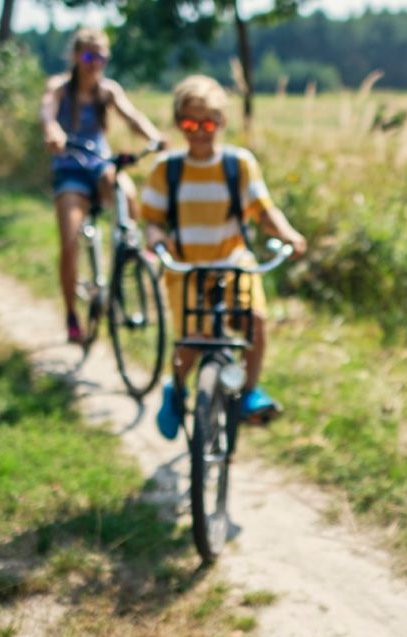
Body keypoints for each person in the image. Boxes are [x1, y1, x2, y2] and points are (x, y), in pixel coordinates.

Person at [141, 74, 306, 436]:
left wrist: (289, 234)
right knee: (192, 342)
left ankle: (248, 392)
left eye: (208, 123)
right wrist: (156, 241)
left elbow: (264, 212)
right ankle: (177, 388)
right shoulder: (166, 169)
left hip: (234, 263)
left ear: (222, 122)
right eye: (189, 123)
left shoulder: (239, 164)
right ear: (179, 123)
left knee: (254, 324)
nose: (200, 131)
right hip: (186, 267)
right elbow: (151, 220)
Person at [39, 27, 164, 343]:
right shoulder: (60, 89)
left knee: (125, 188)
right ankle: (71, 315)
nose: (95, 63)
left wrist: (154, 137)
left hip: (99, 165)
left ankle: (131, 251)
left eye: (101, 57)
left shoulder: (108, 91)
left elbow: (132, 117)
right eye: (88, 56)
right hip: (69, 168)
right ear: (76, 57)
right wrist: (53, 132)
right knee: (69, 240)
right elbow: (48, 113)